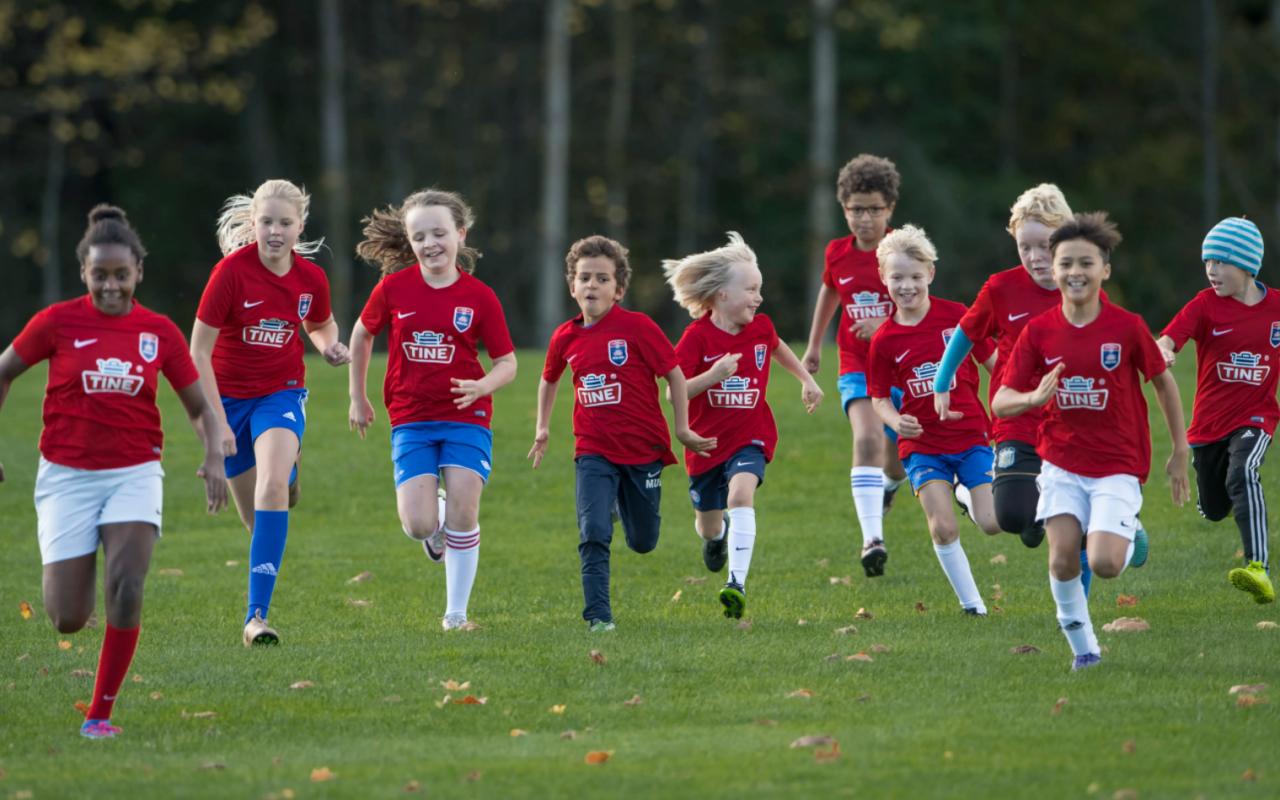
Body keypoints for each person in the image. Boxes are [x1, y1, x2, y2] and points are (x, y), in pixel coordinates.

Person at [0, 205, 227, 738]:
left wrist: (214, 453)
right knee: (67, 618)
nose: (110, 286)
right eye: (100, 275)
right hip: (65, 475)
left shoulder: (159, 332)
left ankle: (100, 715)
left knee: (126, 585)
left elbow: (198, 407)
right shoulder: (57, 322)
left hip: (134, 472)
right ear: (84, 271)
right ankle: (79, 567)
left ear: (138, 274)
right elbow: (4, 372)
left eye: (120, 275)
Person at [993, 212, 1190, 670]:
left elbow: (1162, 383)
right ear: (1054, 269)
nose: (1074, 272)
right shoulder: (1039, 331)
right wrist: (1031, 397)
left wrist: (1180, 450)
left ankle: (1126, 529)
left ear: (1105, 269)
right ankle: (1085, 652)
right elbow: (1001, 401)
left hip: (1118, 464)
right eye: (1065, 263)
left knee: (1102, 563)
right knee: (1063, 561)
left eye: (1086, 263)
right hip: (1060, 463)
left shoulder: (1126, 327)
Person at [190, 179, 351, 647]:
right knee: (258, 521)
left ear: (300, 226)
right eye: (266, 222)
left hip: (281, 393)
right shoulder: (230, 274)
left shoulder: (310, 278)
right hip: (228, 401)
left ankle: (255, 618)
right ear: (253, 223)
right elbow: (198, 352)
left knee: (272, 484)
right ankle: (282, 476)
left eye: (285, 223)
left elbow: (319, 323)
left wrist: (328, 346)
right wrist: (216, 422)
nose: (275, 231)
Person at [350, 189, 516, 630]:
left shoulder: (480, 297)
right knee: (420, 526)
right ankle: (435, 518)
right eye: (419, 236)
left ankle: (456, 616)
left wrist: (482, 386)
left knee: (467, 507)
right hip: (411, 417)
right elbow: (363, 335)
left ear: (460, 235)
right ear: (410, 241)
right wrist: (358, 395)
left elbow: (508, 363)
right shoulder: (393, 288)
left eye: (439, 233)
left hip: (467, 415)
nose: (430, 244)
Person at [529, 235, 714, 631]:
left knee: (643, 541)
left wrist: (681, 428)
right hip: (592, 449)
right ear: (571, 286)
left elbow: (676, 375)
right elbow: (548, 380)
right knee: (592, 530)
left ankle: (619, 506)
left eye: (602, 278)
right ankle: (599, 616)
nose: (591, 285)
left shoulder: (638, 327)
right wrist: (543, 427)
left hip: (643, 450)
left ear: (619, 289)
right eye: (584, 278)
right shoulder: (565, 336)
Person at [933, 184, 1099, 593]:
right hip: (1015, 418)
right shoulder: (1001, 289)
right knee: (1009, 517)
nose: (1035, 258)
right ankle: (1037, 517)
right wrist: (941, 382)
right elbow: (966, 333)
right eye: (1025, 248)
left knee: (1075, 522)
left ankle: (1079, 611)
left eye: (1045, 246)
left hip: (1068, 420)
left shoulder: (1083, 288)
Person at [664, 233, 824, 619]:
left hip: (751, 437)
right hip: (705, 445)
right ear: (720, 294)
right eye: (750, 289)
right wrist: (713, 375)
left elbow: (778, 346)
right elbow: (674, 394)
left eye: (759, 289)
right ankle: (717, 539)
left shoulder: (760, 328)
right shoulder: (695, 338)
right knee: (707, 527)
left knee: (741, 496)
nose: (759, 297)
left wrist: (807, 380)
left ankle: (736, 583)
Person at [866, 225, 1002, 615]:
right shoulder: (885, 339)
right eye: (897, 278)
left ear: (930, 274)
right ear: (883, 279)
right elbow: (877, 397)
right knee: (942, 527)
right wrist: (896, 421)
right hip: (922, 446)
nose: (906, 286)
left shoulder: (959, 318)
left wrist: (1019, 402)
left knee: (993, 523)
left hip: (971, 435)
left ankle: (963, 492)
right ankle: (973, 606)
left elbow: (996, 365)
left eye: (914, 276)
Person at [1157, 217, 1276, 604]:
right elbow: (1169, 338)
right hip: (1207, 428)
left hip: (1256, 417)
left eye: (1221, 262)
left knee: (1243, 471)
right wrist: (1164, 351)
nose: (1211, 270)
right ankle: (1219, 500)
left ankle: (1258, 568)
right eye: (1207, 261)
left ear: (1247, 265)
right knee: (1213, 508)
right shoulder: (1205, 305)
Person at [801, 154, 909, 578]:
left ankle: (888, 487)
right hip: (856, 364)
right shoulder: (837, 253)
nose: (865, 219)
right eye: (856, 210)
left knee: (899, 458)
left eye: (874, 210)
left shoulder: (903, 252)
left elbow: (923, 305)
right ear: (843, 208)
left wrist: (885, 321)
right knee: (867, 440)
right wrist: (814, 346)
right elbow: (829, 293)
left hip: (903, 365)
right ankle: (872, 539)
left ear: (890, 210)